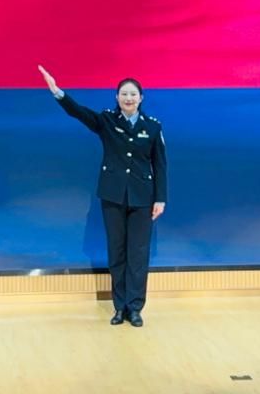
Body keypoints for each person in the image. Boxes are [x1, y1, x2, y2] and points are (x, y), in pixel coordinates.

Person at [37, 65, 166, 327]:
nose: (128, 98)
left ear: (141, 98)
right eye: (124, 94)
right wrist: (58, 92)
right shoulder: (107, 121)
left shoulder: (153, 126)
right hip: (113, 197)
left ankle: (135, 307)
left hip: (142, 198)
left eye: (133, 94)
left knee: (138, 254)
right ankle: (119, 307)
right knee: (116, 252)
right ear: (117, 97)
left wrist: (160, 198)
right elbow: (80, 113)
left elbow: (160, 165)